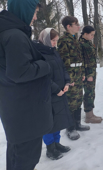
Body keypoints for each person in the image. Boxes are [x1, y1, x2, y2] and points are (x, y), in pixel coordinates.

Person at [0, 0, 53, 170]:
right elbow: (20, 73)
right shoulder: (14, 36)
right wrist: (45, 65)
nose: (35, 17)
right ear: (23, 10)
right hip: (25, 112)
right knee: (24, 161)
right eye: (34, 12)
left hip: (19, 109)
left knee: (20, 158)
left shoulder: (10, 32)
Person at [33, 28, 73, 160]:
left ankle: (57, 143)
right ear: (45, 39)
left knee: (59, 119)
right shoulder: (38, 53)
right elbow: (41, 77)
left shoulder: (54, 52)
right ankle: (50, 149)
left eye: (56, 40)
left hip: (60, 92)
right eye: (52, 40)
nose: (55, 43)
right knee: (49, 122)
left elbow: (62, 68)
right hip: (48, 94)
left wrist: (67, 82)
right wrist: (56, 89)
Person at [58, 16, 90, 140]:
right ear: (68, 27)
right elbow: (64, 62)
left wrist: (81, 73)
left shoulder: (75, 40)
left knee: (78, 99)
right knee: (70, 102)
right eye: (75, 24)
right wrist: (68, 79)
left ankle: (77, 124)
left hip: (77, 75)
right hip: (70, 77)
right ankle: (70, 128)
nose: (78, 26)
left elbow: (79, 59)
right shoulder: (63, 40)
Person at [79, 26, 103, 123]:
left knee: (91, 93)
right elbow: (82, 61)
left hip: (91, 72)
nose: (93, 36)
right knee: (89, 93)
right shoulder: (81, 44)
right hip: (87, 74)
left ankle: (91, 113)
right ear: (85, 33)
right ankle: (88, 116)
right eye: (91, 34)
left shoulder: (87, 43)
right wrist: (87, 75)